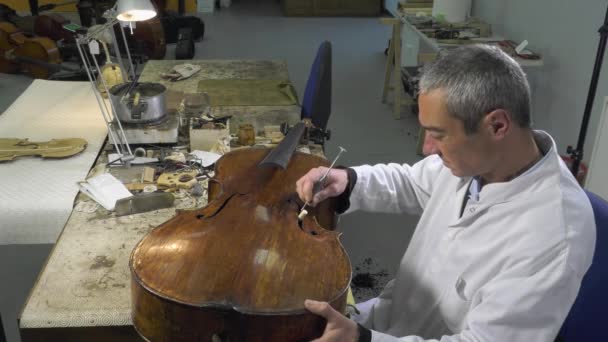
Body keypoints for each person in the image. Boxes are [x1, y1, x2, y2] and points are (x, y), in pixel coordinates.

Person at [295, 44, 596, 342]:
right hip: (392, 319)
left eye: (438, 135)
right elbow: (413, 183)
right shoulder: (480, 160)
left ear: (498, 125)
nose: (427, 149)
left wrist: (362, 340)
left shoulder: (553, 235)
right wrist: (349, 180)